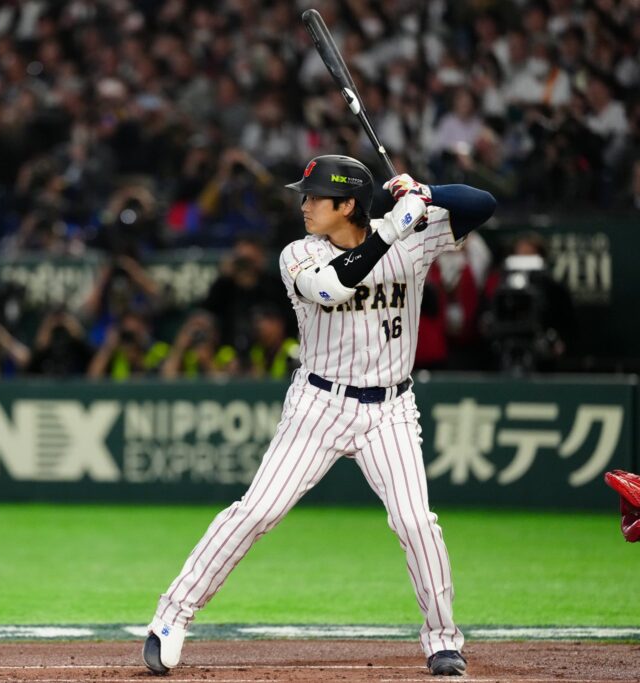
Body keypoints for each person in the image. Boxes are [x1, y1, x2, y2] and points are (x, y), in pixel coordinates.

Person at [143, 155, 496, 678]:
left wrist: (426, 190)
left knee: (416, 522)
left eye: (314, 197)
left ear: (348, 204)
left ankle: (443, 640)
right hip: (319, 405)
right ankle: (170, 618)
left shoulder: (413, 232)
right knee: (257, 511)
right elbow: (333, 288)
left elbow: (482, 204)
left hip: (392, 408)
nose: (304, 205)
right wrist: (396, 225)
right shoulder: (298, 254)